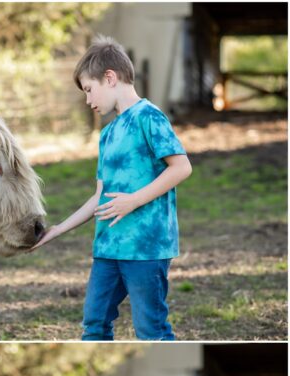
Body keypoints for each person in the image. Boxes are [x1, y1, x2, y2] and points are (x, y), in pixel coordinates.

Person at [30, 36, 192, 340]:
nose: (89, 101)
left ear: (110, 77)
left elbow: (182, 167)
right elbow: (98, 197)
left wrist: (133, 201)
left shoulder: (150, 117)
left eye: (89, 90)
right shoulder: (106, 134)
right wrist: (56, 231)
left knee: (150, 329)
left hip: (146, 249)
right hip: (107, 248)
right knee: (94, 323)